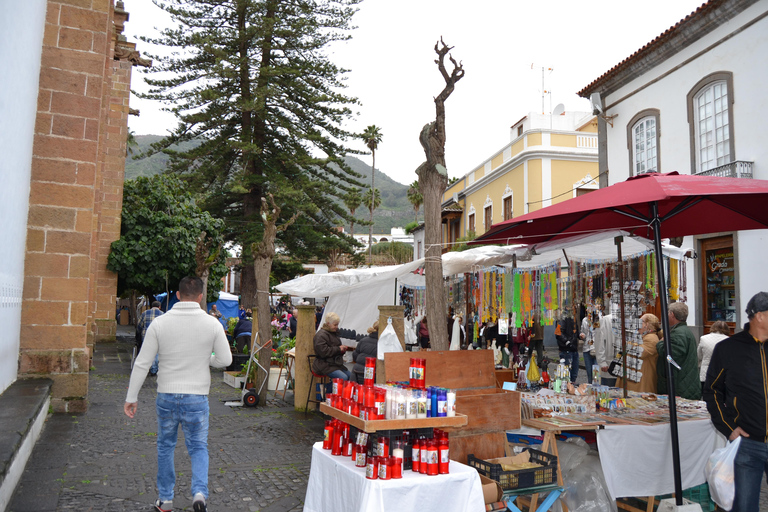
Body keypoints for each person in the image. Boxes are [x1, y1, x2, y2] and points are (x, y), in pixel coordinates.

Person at [124, 276, 232, 512]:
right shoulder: (212, 323)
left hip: (167, 395)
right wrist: (207, 359)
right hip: (197, 396)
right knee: (198, 446)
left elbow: (142, 362)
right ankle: (200, 494)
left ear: (179, 295)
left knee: (165, 446)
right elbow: (226, 360)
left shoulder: (160, 324)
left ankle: (165, 500)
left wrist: (132, 397)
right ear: (201, 297)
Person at [703, 292, 768, 512]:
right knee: (744, 507)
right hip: (748, 444)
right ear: (759, 316)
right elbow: (712, 391)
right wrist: (729, 427)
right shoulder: (729, 349)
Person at [656, 301, 700, 400]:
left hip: (680, 384)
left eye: (668, 313)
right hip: (684, 382)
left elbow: (669, 355)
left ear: (672, 314)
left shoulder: (679, 333)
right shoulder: (683, 330)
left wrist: (660, 343)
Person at [617, 313, 661, 393]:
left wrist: (627, 342)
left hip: (641, 382)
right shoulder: (643, 336)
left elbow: (640, 352)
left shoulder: (651, 338)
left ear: (647, 325)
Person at [312, 312, 351, 380]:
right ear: (328, 324)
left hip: (334, 364)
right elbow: (323, 352)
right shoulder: (321, 335)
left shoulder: (333, 333)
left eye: (337, 325)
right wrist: (339, 349)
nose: (336, 327)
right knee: (343, 378)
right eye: (335, 325)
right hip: (323, 364)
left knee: (351, 376)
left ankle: (333, 389)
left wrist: (341, 350)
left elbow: (334, 348)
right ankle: (329, 390)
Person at [697, 320, 730, 391]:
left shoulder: (703, 338)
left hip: (705, 373)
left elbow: (699, 355)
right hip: (721, 375)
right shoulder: (728, 340)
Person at [136, 301, 163, 376]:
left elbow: (139, 325)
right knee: (156, 352)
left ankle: (145, 367)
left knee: (146, 351)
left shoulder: (145, 313)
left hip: (146, 335)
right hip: (158, 335)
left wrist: (138, 333)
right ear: (159, 306)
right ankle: (154, 369)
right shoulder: (162, 314)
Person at [594, 312, 616, 386]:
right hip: (609, 365)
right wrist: (602, 362)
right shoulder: (605, 320)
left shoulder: (629, 320)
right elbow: (599, 341)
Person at [555, 316, 579, 383]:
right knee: (566, 375)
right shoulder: (563, 318)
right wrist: (567, 342)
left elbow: (575, 332)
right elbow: (558, 333)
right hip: (566, 350)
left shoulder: (573, 318)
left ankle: (571, 387)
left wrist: (579, 335)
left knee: (573, 374)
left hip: (573, 348)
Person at [579, 313, 597, 384]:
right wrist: (582, 336)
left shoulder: (599, 319)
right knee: (589, 373)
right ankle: (590, 390)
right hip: (587, 348)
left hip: (596, 348)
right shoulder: (585, 320)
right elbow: (583, 332)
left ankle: (596, 390)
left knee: (596, 374)